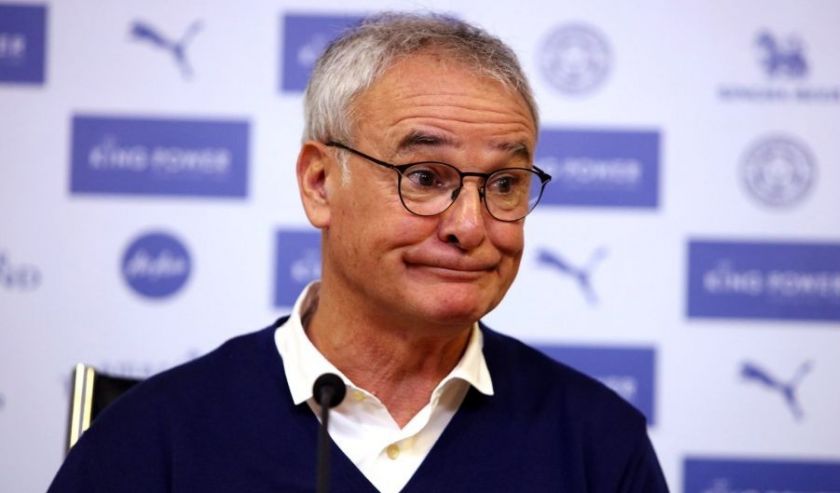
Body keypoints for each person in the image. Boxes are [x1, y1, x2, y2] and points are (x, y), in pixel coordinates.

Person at [50, 13, 668, 492]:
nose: (471, 226)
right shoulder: (153, 441)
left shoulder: (597, 444)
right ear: (320, 183)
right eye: (425, 177)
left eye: (504, 185)